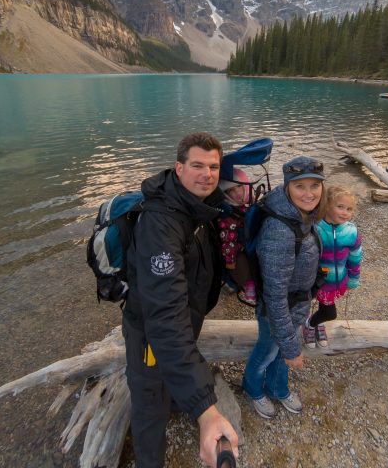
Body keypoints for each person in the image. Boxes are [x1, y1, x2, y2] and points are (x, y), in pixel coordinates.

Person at [122, 132, 239, 468]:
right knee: (148, 406)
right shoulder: (161, 225)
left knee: (167, 384)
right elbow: (166, 320)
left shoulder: (200, 208)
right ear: (178, 168)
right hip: (150, 334)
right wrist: (206, 408)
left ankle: (178, 395)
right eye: (197, 165)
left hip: (186, 319)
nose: (207, 174)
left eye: (214, 166)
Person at [241, 155, 326, 419]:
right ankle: (253, 389)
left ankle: (278, 388)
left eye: (315, 185)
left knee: (279, 353)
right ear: (287, 186)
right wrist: (292, 349)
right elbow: (275, 295)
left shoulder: (303, 216)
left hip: (296, 307)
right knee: (267, 353)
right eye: (300, 186)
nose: (309, 193)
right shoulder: (279, 229)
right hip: (276, 313)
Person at [303, 185, 363, 348]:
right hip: (313, 279)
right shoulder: (315, 228)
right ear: (327, 206)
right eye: (340, 207)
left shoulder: (351, 232)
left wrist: (353, 278)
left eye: (349, 209)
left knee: (328, 312)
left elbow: (355, 257)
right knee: (310, 304)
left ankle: (312, 323)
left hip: (333, 282)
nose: (345, 212)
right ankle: (310, 323)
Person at [217, 167, 257, 304]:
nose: (237, 193)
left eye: (239, 186)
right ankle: (246, 286)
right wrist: (230, 261)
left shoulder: (254, 200)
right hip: (237, 248)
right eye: (230, 191)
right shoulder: (227, 215)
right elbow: (229, 240)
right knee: (243, 270)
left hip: (251, 242)